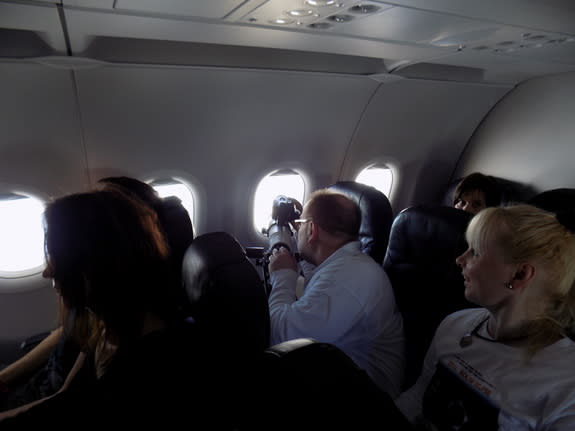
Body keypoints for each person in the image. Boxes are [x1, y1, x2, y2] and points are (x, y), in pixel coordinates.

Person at [0, 189, 213, 428]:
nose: (47, 271)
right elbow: (65, 398)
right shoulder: (106, 324)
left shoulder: (152, 364)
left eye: (57, 257)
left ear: (92, 266)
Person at [395, 204, 575, 429]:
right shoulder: (456, 324)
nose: (460, 259)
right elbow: (416, 400)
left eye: (475, 252)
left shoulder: (567, 384)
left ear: (519, 274)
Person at [267, 188, 405, 397]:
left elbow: (281, 338)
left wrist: (282, 276)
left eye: (301, 225)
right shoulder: (347, 265)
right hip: (342, 376)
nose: (297, 230)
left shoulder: (350, 280)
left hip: (373, 403)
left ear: (312, 230)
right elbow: (317, 276)